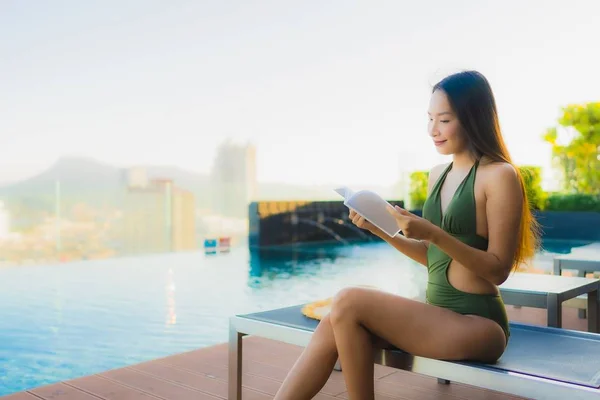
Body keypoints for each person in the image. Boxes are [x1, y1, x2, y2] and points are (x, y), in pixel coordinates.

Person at [273, 70, 539, 400]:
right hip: (436, 316)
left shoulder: (499, 176)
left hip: (478, 325)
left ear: (472, 117)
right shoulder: (437, 175)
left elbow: (498, 270)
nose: (432, 130)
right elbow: (433, 257)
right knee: (336, 320)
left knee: (348, 300)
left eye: (443, 119)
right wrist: (380, 229)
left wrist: (435, 234)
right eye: (429, 118)